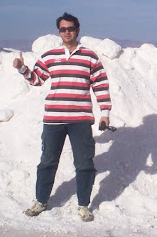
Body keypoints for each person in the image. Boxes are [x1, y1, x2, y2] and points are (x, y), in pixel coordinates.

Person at [13, 12, 111, 222]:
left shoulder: (90, 57)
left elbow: (101, 85)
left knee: (84, 163)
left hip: (81, 120)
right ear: (59, 32)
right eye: (63, 29)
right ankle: (41, 201)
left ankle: (84, 205)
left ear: (78, 30)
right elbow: (37, 79)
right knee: (47, 161)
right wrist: (22, 68)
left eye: (71, 28)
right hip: (53, 119)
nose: (67, 32)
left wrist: (105, 113)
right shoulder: (50, 56)